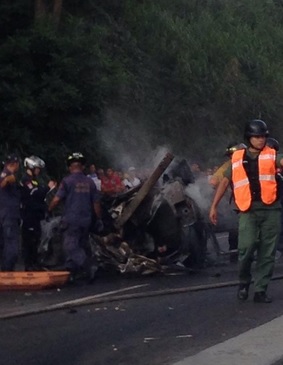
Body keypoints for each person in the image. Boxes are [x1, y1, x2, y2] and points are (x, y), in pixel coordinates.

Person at [209, 119, 283, 303]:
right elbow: (225, 181)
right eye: (256, 136)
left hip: (270, 210)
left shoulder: (272, 155)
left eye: (263, 136)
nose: (260, 140)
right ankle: (244, 282)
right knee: (246, 248)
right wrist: (214, 206)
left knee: (267, 252)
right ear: (249, 138)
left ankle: (260, 290)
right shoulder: (237, 159)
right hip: (247, 210)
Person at [47, 152, 103, 282]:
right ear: (82, 167)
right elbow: (96, 203)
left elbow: (56, 200)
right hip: (86, 221)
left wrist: (48, 209)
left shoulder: (67, 181)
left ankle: (89, 266)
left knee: (70, 246)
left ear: (70, 167)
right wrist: (98, 219)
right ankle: (72, 272)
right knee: (80, 245)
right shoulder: (90, 182)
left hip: (71, 220)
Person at [209, 142, 247, 262]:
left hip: (250, 203)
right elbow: (214, 182)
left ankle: (237, 256)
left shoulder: (230, 165)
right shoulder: (229, 166)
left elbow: (214, 183)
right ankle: (236, 256)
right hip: (241, 204)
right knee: (237, 231)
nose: (233, 158)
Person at [20, 155, 49, 271]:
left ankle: (35, 263)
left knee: (36, 239)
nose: (38, 170)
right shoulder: (25, 180)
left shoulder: (35, 181)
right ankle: (29, 265)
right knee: (29, 241)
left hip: (36, 216)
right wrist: (47, 188)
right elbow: (34, 193)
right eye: (36, 168)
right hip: (28, 216)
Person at [0, 153, 21, 271]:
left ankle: (4, 269)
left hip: (4, 213)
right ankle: (7, 270)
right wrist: (8, 179)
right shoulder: (7, 175)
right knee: (11, 243)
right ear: (15, 164)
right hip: (9, 215)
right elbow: (5, 182)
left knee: (4, 243)